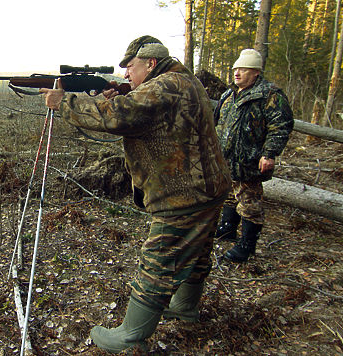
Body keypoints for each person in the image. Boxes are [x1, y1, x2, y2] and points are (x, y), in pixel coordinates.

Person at [40, 36, 232, 354]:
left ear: (151, 64)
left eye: (131, 67)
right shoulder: (184, 80)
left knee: (159, 260)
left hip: (185, 193)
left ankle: (131, 335)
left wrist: (64, 103)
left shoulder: (165, 85)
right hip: (208, 187)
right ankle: (184, 309)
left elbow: (120, 116)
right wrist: (116, 96)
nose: (126, 74)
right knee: (197, 253)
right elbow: (143, 112)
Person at [214, 49, 294, 263]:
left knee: (249, 203)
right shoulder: (228, 94)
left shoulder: (270, 95)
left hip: (250, 161)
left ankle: (247, 246)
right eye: (236, 69)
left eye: (244, 69)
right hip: (226, 159)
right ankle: (227, 229)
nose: (237, 73)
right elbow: (217, 124)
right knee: (230, 195)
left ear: (256, 72)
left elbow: (280, 126)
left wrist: (269, 154)